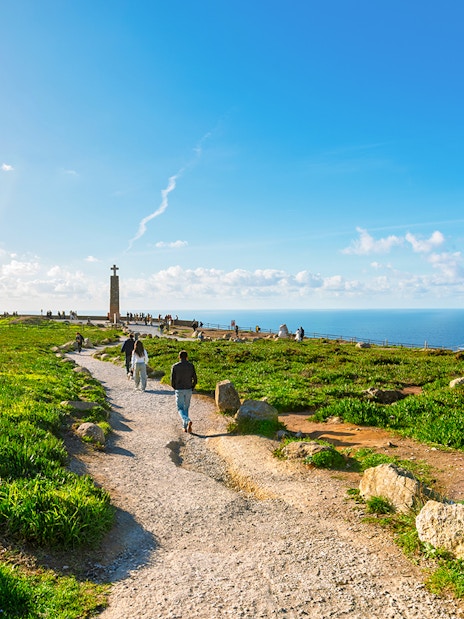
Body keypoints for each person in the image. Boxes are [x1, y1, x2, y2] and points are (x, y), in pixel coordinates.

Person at [170, 350, 197, 433]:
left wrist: (174, 387)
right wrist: (192, 387)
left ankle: (187, 421)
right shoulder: (191, 366)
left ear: (179, 357)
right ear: (187, 357)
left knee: (180, 408)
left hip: (179, 389)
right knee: (186, 408)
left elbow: (172, 379)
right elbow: (195, 379)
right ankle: (185, 427)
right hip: (188, 389)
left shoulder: (175, 366)